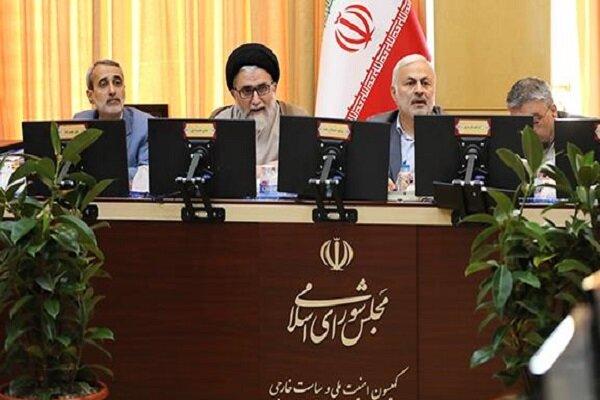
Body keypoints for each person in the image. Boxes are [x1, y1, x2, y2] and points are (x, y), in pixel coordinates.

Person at [210, 43, 307, 193]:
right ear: (234, 94)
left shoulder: (296, 119)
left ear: (274, 87)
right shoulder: (219, 123)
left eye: (262, 89)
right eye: (247, 91)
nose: (255, 100)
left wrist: (252, 172)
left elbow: (302, 170)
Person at [367, 54, 441, 192]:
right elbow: (362, 177)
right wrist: (374, 183)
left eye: (425, 83)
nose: (419, 90)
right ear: (394, 93)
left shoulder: (451, 132)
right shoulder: (375, 130)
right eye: (410, 83)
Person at [74, 59, 151, 184]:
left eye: (117, 83)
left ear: (124, 90)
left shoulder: (145, 125)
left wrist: (97, 176)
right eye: (103, 84)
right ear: (90, 96)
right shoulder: (80, 123)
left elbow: (148, 174)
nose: (112, 91)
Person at [506, 77, 570, 166]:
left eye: (535, 121)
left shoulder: (578, 137)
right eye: (519, 123)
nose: (528, 131)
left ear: (553, 111)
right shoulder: (507, 142)